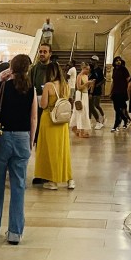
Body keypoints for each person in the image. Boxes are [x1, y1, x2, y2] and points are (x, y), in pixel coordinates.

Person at [0, 53, 37, 243]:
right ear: (28, 69)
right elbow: (33, 118)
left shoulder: (3, 86)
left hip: (2, 137)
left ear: (12, 68)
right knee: (18, 185)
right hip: (22, 138)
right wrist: (31, 141)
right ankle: (15, 232)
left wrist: (0, 80)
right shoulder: (31, 89)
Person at [34, 61, 74, 190]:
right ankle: (69, 179)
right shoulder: (65, 85)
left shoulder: (48, 85)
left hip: (49, 119)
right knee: (62, 150)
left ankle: (53, 180)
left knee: (50, 150)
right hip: (62, 122)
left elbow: (43, 105)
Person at [30, 41, 53, 184]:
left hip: (49, 108)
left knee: (47, 142)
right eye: (40, 51)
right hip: (35, 107)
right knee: (37, 140)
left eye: (45, 52)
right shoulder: (34, 69)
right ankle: (40, 171)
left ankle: (48, 171)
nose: (42, 54)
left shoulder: (54, 69)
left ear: (50, 53)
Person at [69, 61, 92, 138]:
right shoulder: (79, 76)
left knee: (85, 111)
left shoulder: (86, 76)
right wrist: (86, 83)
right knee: (81, 111)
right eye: (87, 69)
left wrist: (89, 85)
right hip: (80, 95)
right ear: (83, 68)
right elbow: (78, 87)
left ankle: (78, 129)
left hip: (85, 94)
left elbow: (86, 87)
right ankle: (80, 131)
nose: (88, 71)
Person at [110, 56, 131, 131]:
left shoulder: (124, 69)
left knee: (121, 108)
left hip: (122, 91)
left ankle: (116, 125)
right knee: (116, 108)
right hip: (115, 91)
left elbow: (128, 79)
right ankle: (125, 120)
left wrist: (129, 90)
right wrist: (110, 91)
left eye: (119, 60)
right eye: (116, 60)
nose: (118, 62)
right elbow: (113, 81)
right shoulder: (114, 70)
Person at [87, 55, 105, 129]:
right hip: (90, 90)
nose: (91, 61)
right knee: (90, 106)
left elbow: (103, 79)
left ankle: (102, 117)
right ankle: (89, 120)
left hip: (97, 90)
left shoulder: (99, 70)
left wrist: (98, 85)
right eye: (91, 60)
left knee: (96, 105)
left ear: (96, 61)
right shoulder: (90, 69)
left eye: (93, 60)